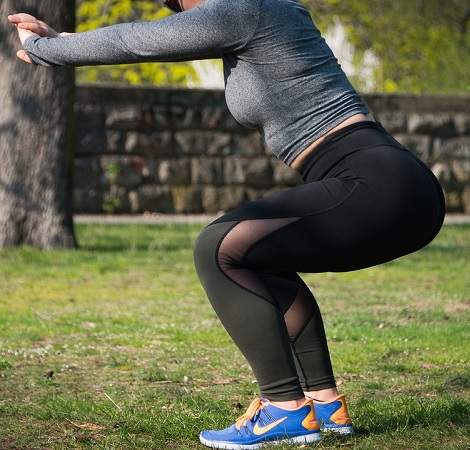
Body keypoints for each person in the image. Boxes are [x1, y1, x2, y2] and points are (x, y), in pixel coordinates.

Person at [9, 0, 445, 448]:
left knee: (217, 249)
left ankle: (283, 409)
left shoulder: (246, 9)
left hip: (376, 182)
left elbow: (135, 41)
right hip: (396, 184)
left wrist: (46, 50)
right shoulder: (256, 14)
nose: (177, 8)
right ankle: (324, 404)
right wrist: (59, 40)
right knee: (261, 257)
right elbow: (148, 40)